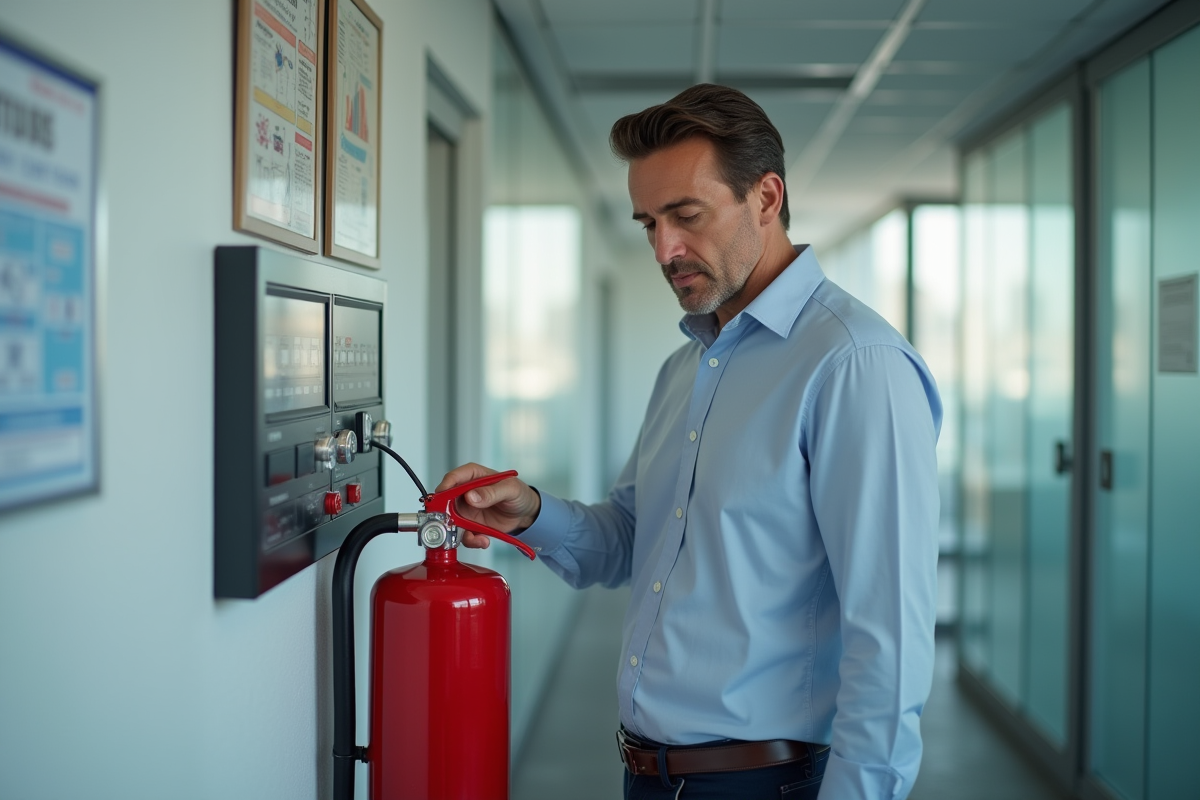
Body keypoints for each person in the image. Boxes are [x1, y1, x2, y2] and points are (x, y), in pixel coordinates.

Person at [436, 84, 942, 800]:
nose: (664, 249)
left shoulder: (854, 364)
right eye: (648, 223)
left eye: (686, 215)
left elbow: (887, 641)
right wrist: (532, 511)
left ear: (765, 198)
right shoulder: (687, 368)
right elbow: (637, 537)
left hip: (770, 784)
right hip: (650, 777)